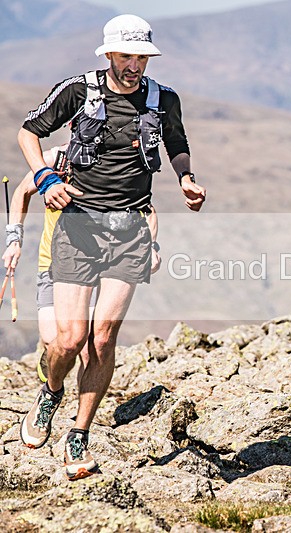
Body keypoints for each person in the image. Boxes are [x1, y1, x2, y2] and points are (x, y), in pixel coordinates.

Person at [16, 14, 206, 481]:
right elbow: (28, 132)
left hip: (131, 226)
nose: (135, 65)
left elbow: (176, 144)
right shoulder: (77, 92)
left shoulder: (164, 100)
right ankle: (50, 390)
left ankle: (79, 432)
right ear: (108, 55)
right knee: (69, 339)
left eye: (142, 57)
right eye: (127, 56)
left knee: (103, 338)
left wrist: (186, 178)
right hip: (78, 226)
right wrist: (43, 176)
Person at [2, 144, 162, 384]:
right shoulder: (56, 160)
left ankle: (80, 411)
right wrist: (14, 240)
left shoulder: (115, 163)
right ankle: (54, 372)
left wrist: (150, 246)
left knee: (87, 346)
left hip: (97, 263)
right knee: (54, 339)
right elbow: (21, 193)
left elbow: (146, 209)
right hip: (53, 262)